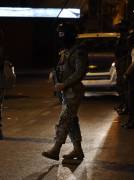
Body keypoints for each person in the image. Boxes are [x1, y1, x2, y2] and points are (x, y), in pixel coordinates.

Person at [42, 23, 88, 161]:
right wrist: (54, 75)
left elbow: (80, 72)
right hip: (66, 92)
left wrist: (64, 84)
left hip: (73, 91)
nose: (61, 38)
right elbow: (62, 68)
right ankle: (77, 150)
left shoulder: (78, 51)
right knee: (71, 121)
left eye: (63, 34)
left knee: (64, 120)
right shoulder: (66, 51)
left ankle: (55, 149)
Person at [114, 21, 129, 115]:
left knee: (124, 87)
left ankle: (125, 107)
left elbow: (124, 52)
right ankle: (122, 105)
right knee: (120, 87)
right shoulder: (121, 39)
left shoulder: (126, 40)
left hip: (124, 64)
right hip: (120, 64)